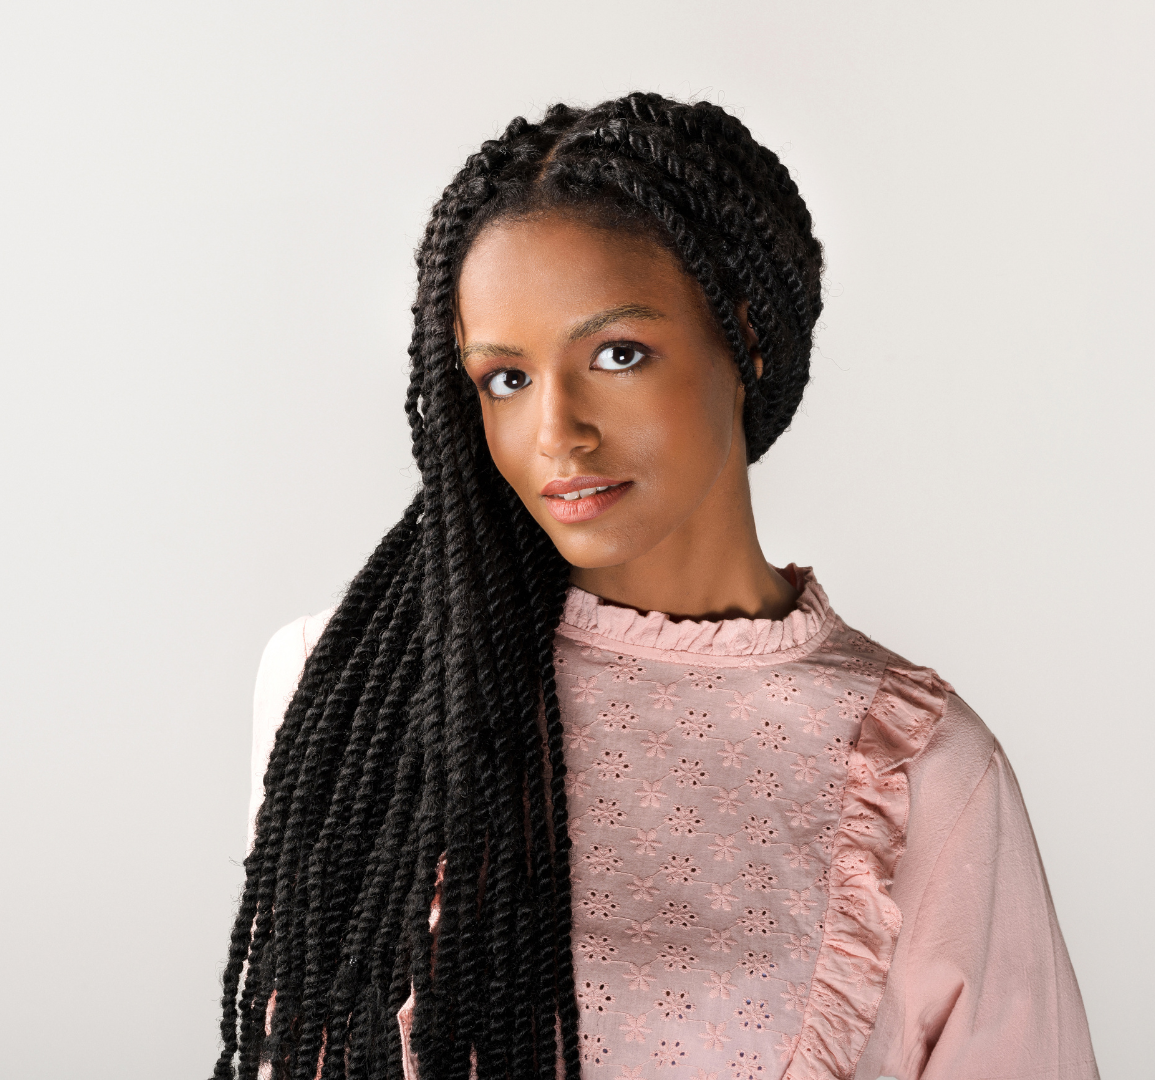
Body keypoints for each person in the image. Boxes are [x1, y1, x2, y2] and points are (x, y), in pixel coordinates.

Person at [213, 94, 1098, 1080]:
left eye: (617, 354)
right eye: (505, 378)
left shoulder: (919, 770)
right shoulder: (345, 703)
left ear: (746, 341)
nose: (557, 432)